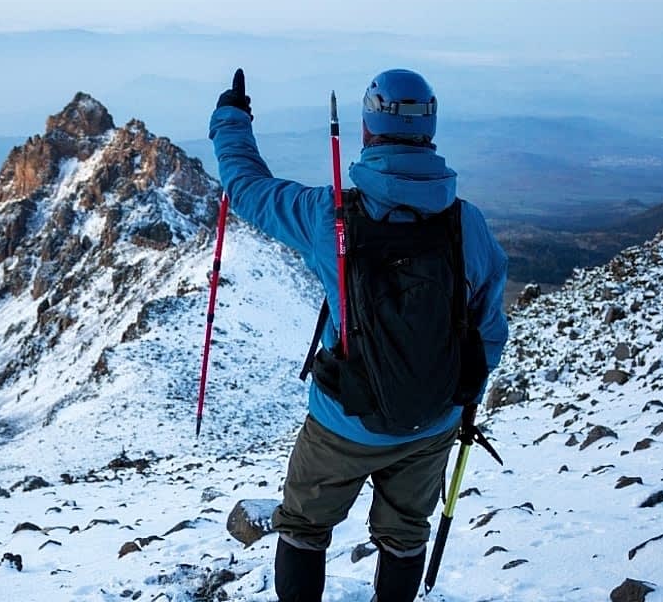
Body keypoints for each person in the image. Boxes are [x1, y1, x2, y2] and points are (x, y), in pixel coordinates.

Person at [209, 68, 508, 602]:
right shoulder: (470, 225)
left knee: (303, 525)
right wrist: (463, 401)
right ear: (431, 133)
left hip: (344, 421)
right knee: (405, 534)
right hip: (433, 419)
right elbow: (489, 332)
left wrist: (231, 118)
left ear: (367, 130)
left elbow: (246, 188)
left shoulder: (330, 215)